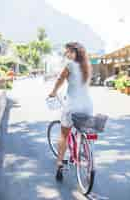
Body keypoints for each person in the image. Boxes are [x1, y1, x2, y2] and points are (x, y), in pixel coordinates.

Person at [49, 42, 93, 181]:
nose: (66, 54)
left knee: (64, 135)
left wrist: (53, 92)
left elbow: (60, 80)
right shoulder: (87, 66)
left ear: (74, 52)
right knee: (83, 130)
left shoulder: (70, 65)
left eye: (67, 51)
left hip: (72, 105)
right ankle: (86, 151)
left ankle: (60, 164)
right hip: (87, 106)